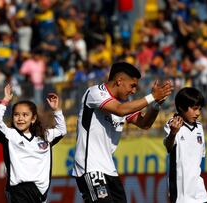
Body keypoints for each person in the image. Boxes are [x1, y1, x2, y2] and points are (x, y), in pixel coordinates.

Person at [72, 61, 173, 202]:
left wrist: (156, 105)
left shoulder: (123, 103)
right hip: (90, 167)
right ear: (119, 81)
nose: (133, 91)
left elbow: (144, 124)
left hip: (109, 169)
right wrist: (152, 97)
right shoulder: (95, 92)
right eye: (132, 86)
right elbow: (120, 110)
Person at [0, 84, 67, 203]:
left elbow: (62, 130)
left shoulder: (45, 136)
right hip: (18, 190)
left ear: (33, 119)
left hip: (40, 193)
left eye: (25, 115)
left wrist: (56, 110)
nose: (20, 118)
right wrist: (5, 101)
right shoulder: (10, 135)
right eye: (16, 115)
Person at [163, 87, 207, 203]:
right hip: (181, 192)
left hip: (199, 190)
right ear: (181, 107)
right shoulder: (172, 124)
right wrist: (173, 133)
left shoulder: (199, 127)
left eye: (199, 109)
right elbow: (168, 147)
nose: (198, 113)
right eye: (194, 109)